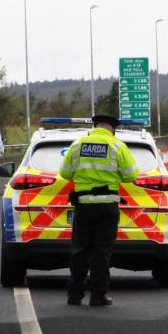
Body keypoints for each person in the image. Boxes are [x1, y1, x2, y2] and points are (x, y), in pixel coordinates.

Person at [60, 114, 138, 306]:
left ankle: (74, 295)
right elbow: (131, 175)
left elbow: (64, 172)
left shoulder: (78, 145)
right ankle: (98, 295)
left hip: (83, 206)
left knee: (80, 250)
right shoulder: (117, 146)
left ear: (95, 126)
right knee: (101, 252)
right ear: (113, 128)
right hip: (107, 208)